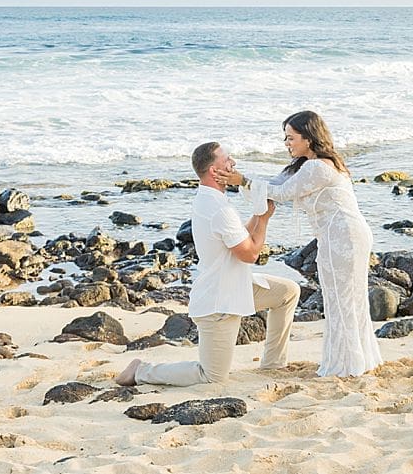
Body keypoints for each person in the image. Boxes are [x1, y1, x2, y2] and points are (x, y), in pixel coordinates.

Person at [115, 141, 300, 387]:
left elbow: (240, 238)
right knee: (211, 377)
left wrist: (258, 214)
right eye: (228, 160)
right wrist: (264, 220)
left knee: (287, 292)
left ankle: (273, 363)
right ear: (214, 170)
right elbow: (249, 254)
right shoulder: (217, 208)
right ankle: (141, 371)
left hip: (237, 287)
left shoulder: (211, 199)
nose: (233, 163)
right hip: (219, 301)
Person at [217, 111, 382, 378]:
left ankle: (348, 365)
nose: (286, 143)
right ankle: (355, 360)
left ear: (309, 138)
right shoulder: (305, 165)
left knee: (342, 299)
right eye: (285, 138)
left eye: (291, 138)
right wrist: (240, 177)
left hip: (344, 236)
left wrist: (243, 181)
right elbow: (273, 183)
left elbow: (282, 193)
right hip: (337, 235)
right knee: (342, 298)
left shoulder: (318, 167)